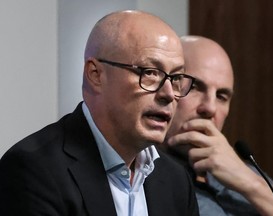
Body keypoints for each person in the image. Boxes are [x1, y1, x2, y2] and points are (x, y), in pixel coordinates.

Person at [0, 11, 199, 215]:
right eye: (149, 72)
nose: (168, 94)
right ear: (95, 75)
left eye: (175, 78)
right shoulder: (34, 170)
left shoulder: (176, 181)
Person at [163, 35, 273, 215]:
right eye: (196, 87)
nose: (210, 108)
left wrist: (250, 182)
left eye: (221, 96)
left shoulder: (242, 170)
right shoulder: (140, 172)